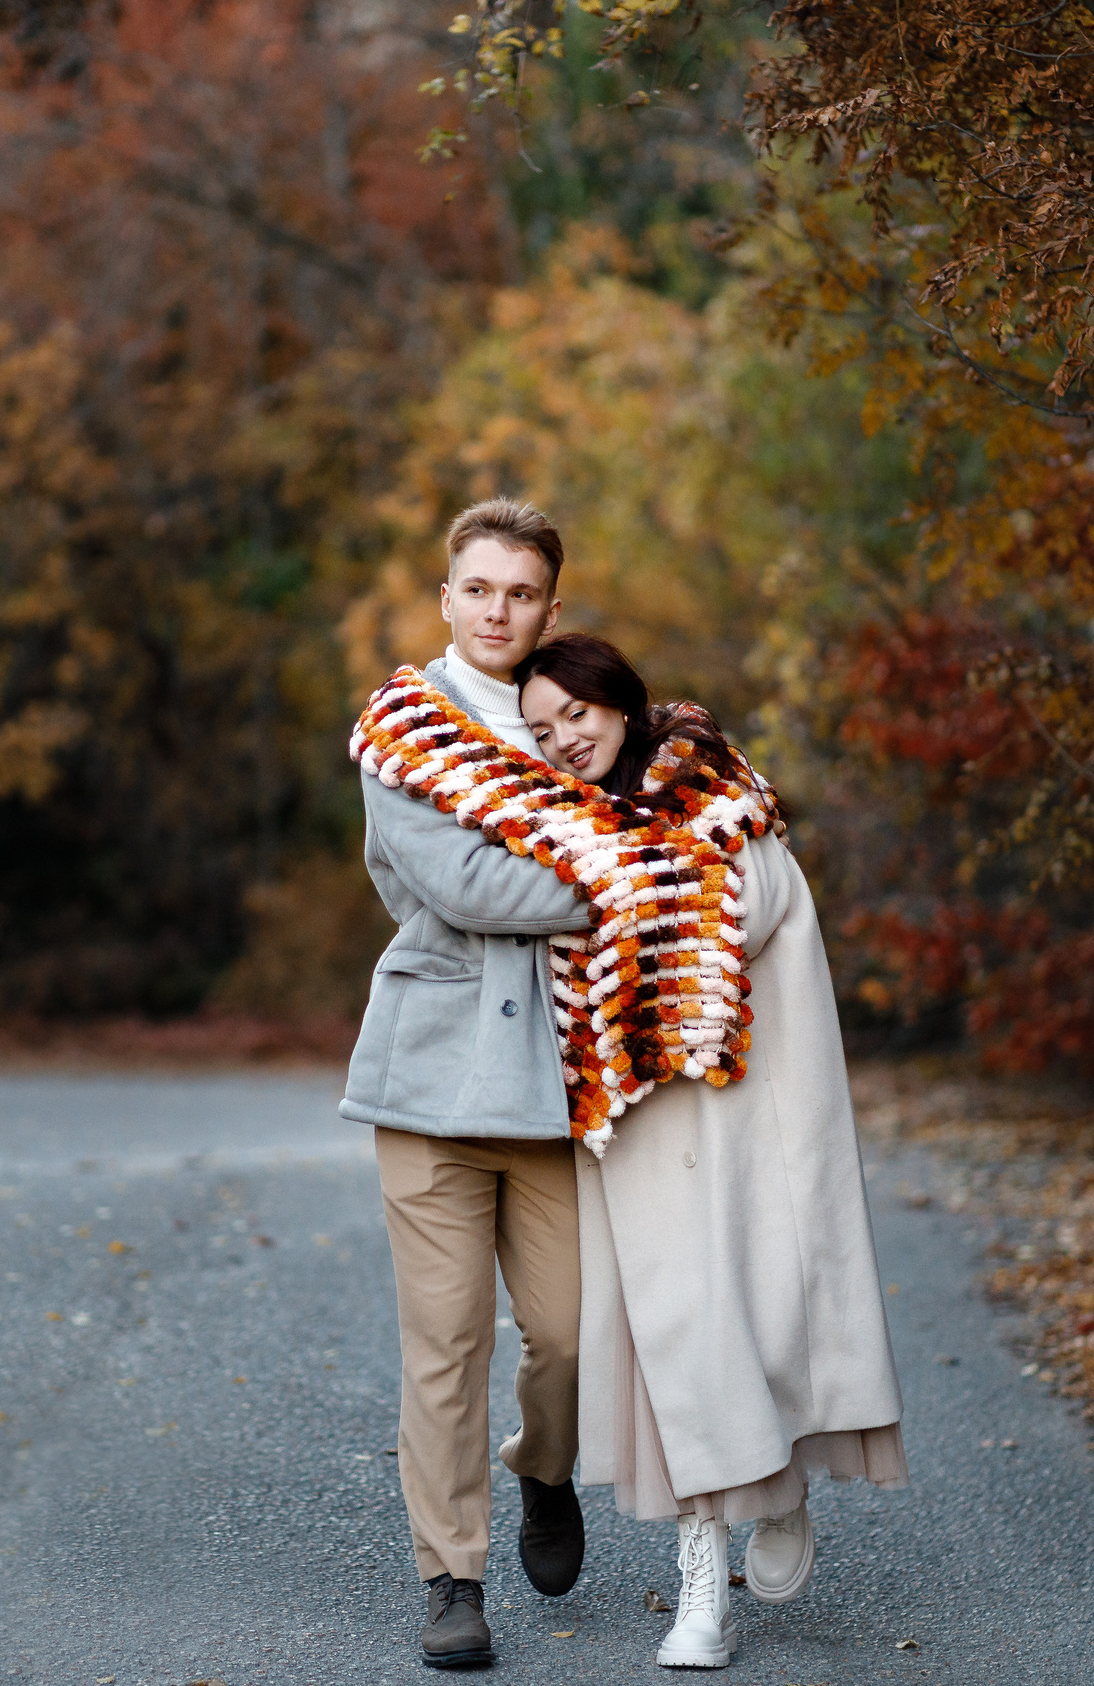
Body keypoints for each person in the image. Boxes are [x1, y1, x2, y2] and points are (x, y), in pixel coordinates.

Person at [516, 633, 907, 1671]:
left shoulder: (717, 793)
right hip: (634, 1114)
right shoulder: (556, 826)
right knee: (678, 1334)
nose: (564, 739)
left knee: (772, 1314)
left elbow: (768, 911)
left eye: (577, 715)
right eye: (542, 728)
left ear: (620, 701)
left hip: (742, 1098)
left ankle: (782, 1486)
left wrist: (655, 922)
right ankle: (702, 1588)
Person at [340, 497, 594, 1670]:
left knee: (572, 1334)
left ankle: (545, 1471)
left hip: (552, 1085)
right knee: (443, 1345)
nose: (499, 611)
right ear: (447, 598)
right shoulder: (404, 730)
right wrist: (623, 885)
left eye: (522, 592)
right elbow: (467, 889)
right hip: (432, 1080)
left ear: (549, 604)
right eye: (478, 589)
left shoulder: (577, 720)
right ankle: (453, 1576)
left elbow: (667, 813)